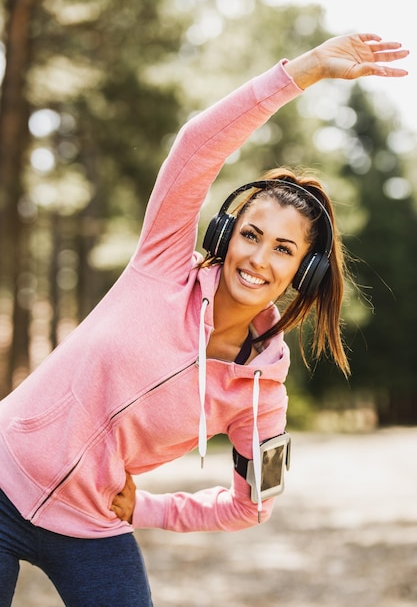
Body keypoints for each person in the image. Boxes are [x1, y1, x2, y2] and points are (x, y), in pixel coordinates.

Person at [0, 32, 408, 606]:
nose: (259, 259)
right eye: (251, 234)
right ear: (225, 234)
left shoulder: (262, 394)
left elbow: (253, 505)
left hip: (90, 525)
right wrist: (305, 72)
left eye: (284, 250)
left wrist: (147, 508)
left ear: (305, 273)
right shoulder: (163, 264)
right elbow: (197, 145)